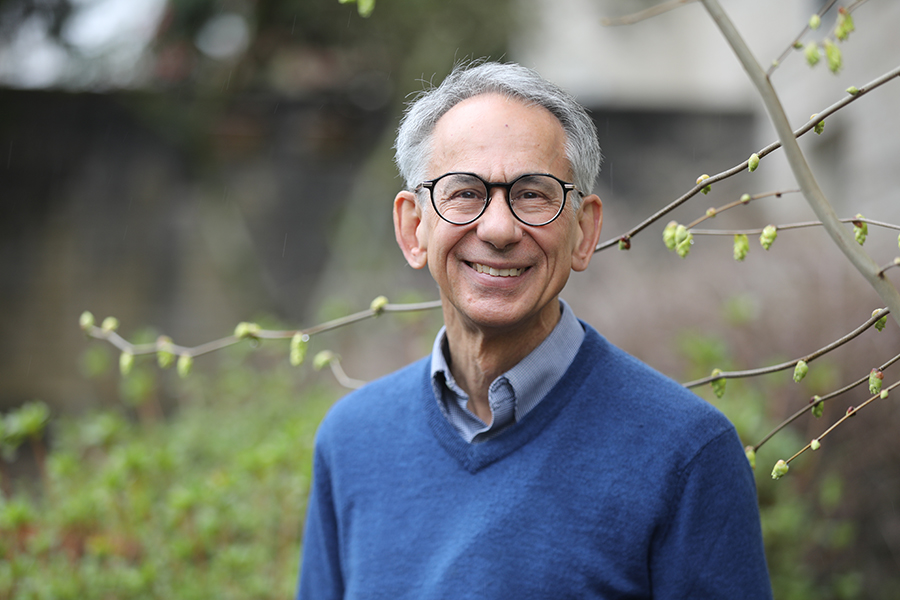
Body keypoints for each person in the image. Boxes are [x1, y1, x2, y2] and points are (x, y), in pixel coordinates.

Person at [297, 61, 772, 599]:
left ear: (584, 232)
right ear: (414, 229)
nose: (499, 228)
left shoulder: (686, 454)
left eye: (532, 194)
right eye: (463, 192)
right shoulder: (352, 440)